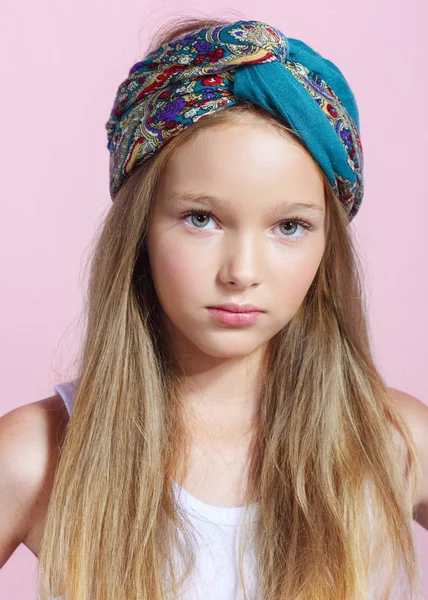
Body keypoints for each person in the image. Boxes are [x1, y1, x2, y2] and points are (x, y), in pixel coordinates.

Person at [1, 15, 427, 600]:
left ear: (328, 244)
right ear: (140, 229)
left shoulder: (394, 442)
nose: (242, 273)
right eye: (202, 218)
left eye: (289, 226)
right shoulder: (37, 457)